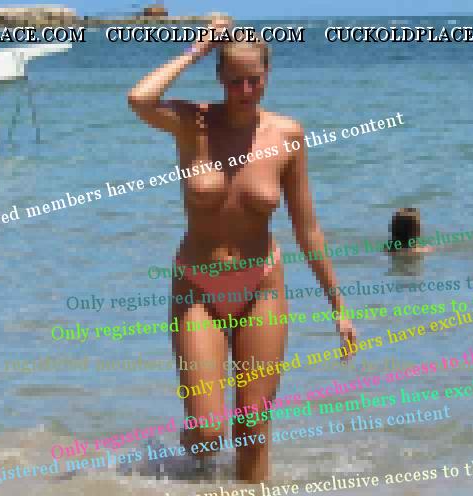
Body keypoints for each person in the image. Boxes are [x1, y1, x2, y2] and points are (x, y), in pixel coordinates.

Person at [128, 17, 356, 483]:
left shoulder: (288, 135)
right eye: (234, 81)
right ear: (219, 76)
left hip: (261, 286)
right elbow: (139, 99)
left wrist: (337, 304)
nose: (245, 90)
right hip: (197, 287)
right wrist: (195, 52)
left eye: (254, 80)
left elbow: (307, 228)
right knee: (208, 430)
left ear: (268, 74)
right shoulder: (192, 123)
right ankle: (191, 462)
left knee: (252, 424)